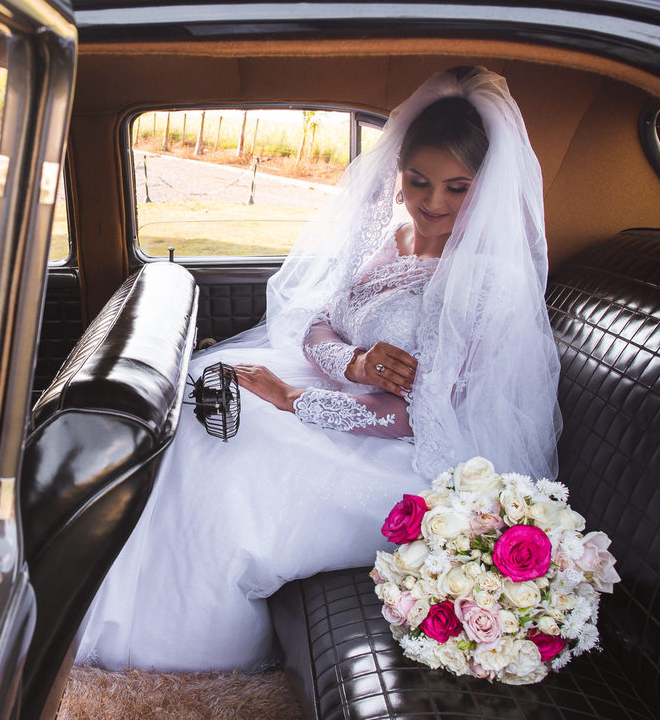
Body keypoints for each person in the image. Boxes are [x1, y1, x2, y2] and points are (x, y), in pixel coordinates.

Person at [75, 66, 562, 672]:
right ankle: (101, 593)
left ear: (485, 188)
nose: (432, 203)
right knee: (202, 408)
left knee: (230, 460)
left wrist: (292, 400)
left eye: (456, 188)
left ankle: (182, 650)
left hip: (408, 454)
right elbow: (320, 323)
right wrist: (355, 362)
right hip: (346, 395)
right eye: (418, 181)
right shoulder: (395, 239)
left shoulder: (487, 281)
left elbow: (416, 415)